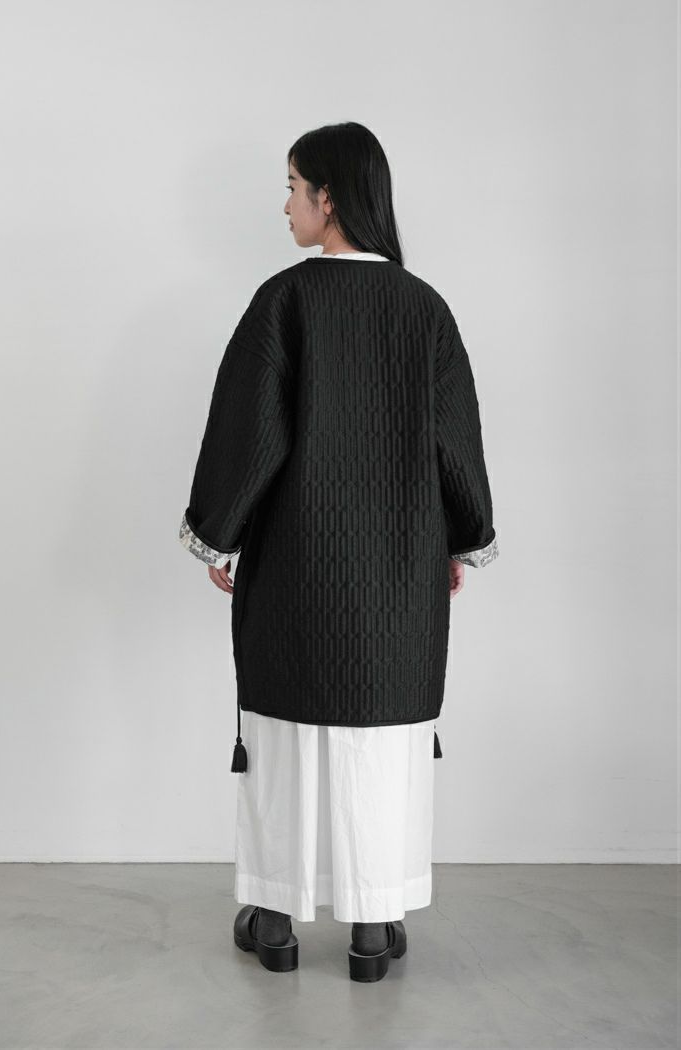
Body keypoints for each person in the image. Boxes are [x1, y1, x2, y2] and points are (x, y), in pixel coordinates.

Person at [179, 121, 499, 982]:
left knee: (285, 735)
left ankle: (274, 922)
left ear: (328, 196)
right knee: (382, 742)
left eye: (292, 187)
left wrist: (220, 532)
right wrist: (461, 538)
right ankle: (372, 927)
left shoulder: (284, 301)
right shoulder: (424, 309)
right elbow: (456, 444)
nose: (285, 204)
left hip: (297, 564)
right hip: (398, 569)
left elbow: (251, 432)